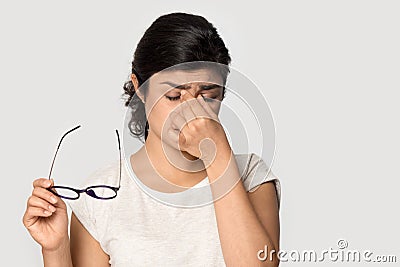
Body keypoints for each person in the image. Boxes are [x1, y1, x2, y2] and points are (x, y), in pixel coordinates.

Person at [22, 12, 281, 266]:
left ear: (223, 93)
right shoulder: (102, 193)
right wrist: (55, 250)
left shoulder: (251, 176)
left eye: (208, 95)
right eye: (173, 96)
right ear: (139, 88)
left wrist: (217, 154)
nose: (190, 111)